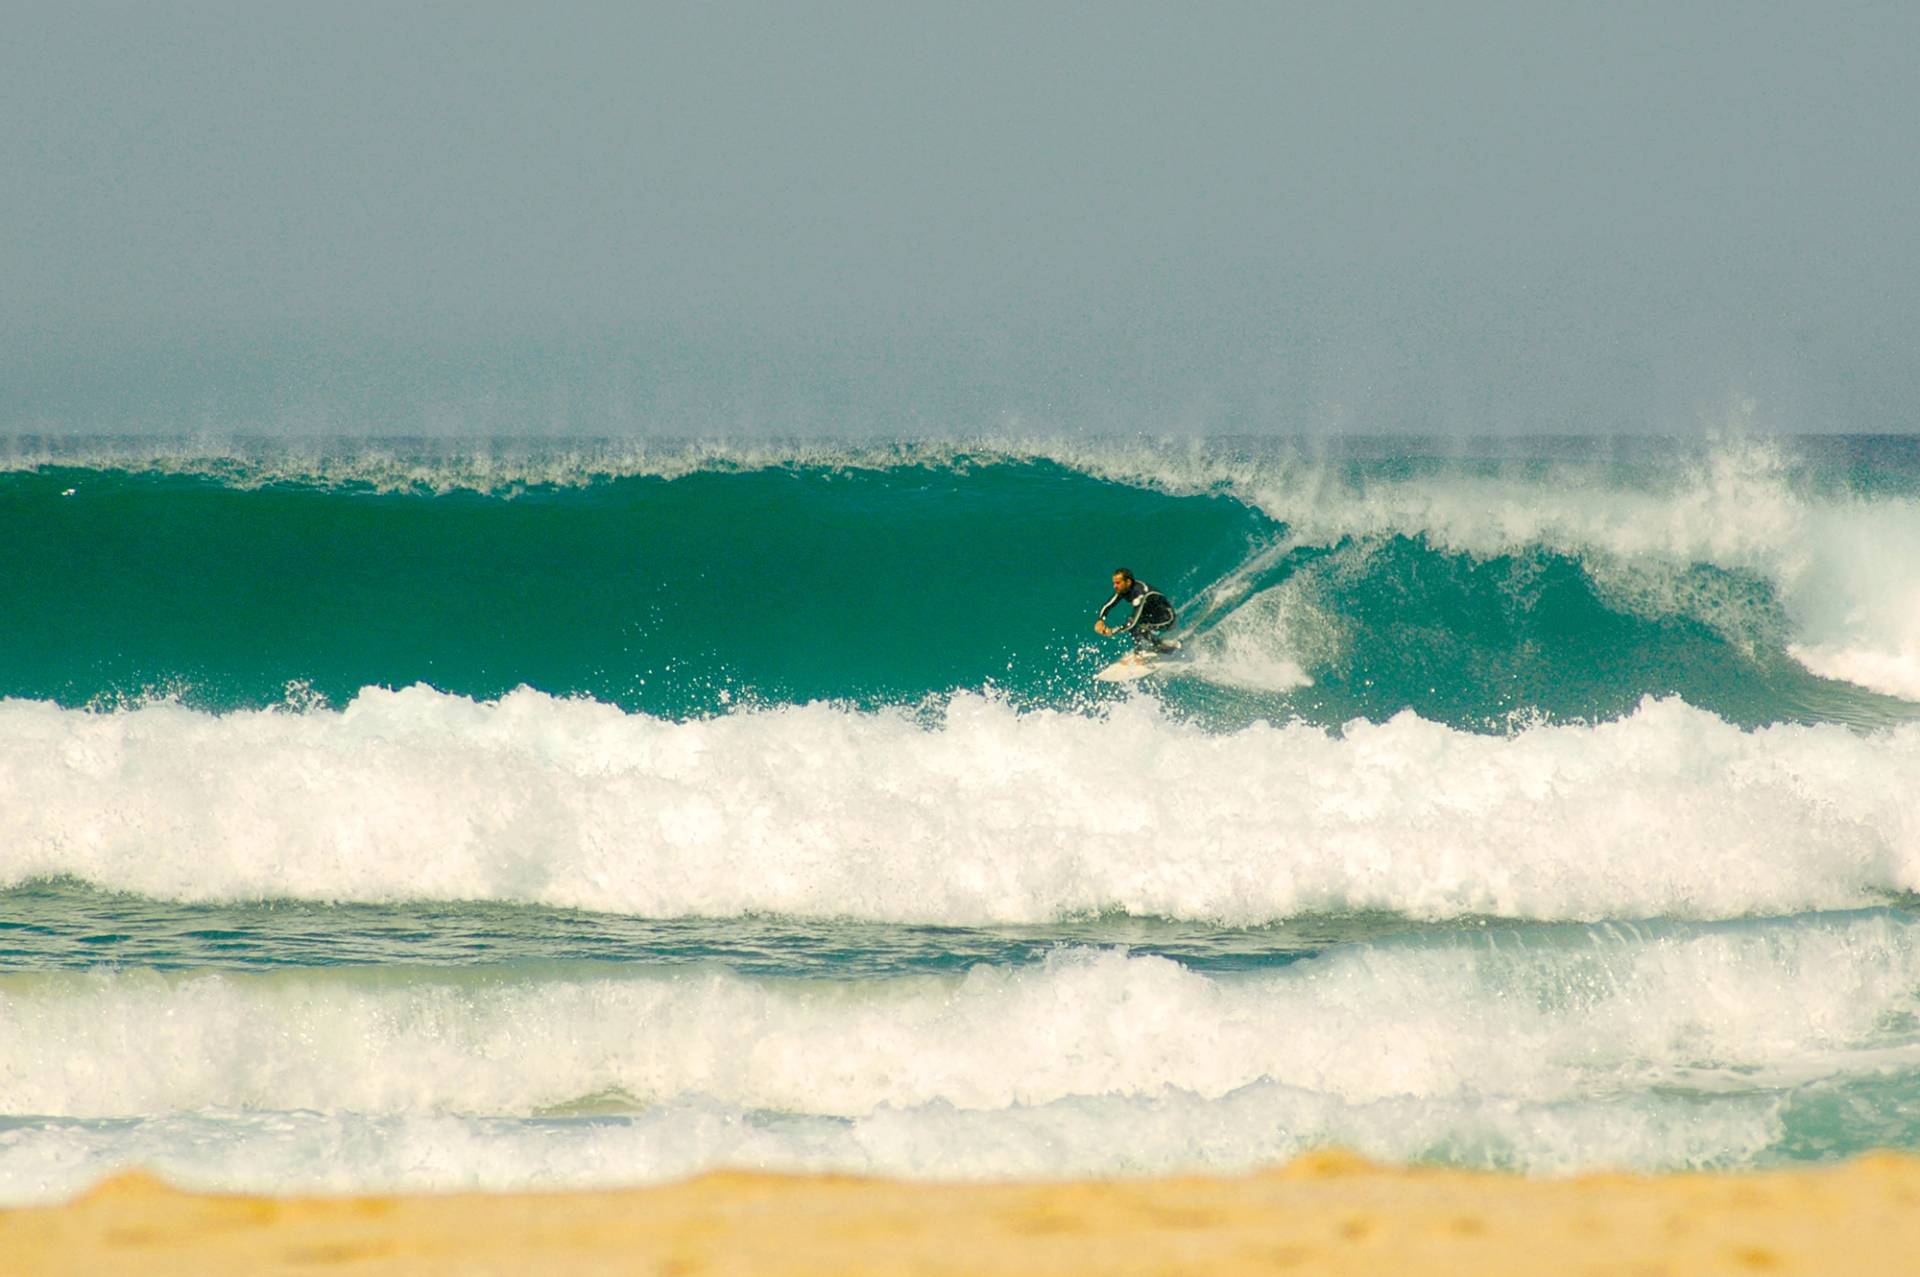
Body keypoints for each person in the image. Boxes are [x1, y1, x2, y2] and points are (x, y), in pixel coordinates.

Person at [1095, 568, 1177, 652]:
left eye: (1118, 583)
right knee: (1133, 623)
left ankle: (1146, 650)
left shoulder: (1140, 593)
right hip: (1151, 617)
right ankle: (1152, 647)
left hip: (1167, 619)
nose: (1114, 586)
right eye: (1114, 583)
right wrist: (1100, 620)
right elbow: (1108, 605)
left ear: (1128, 582)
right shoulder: (1124, 590)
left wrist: (1112, 631)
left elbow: (1133, 623)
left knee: (1137, 626)